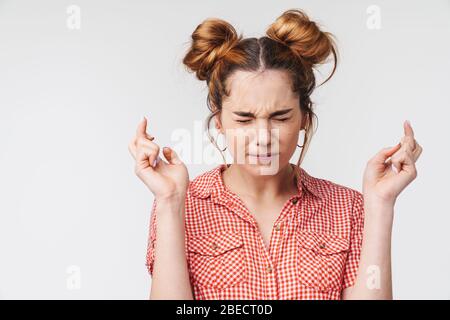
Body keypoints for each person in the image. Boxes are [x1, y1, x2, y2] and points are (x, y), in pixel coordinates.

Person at [128, 9, 423, 300]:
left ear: (304, 117)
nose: (262, 137)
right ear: (218, 120)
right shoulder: (181, 205)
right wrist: (168, 201)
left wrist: (381, 204)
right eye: (244, 119)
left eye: (280, 117)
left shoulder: (349, 209)